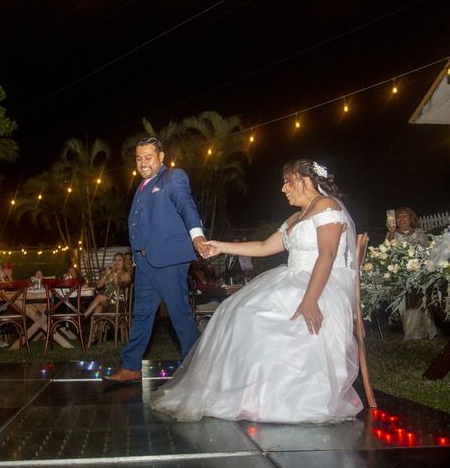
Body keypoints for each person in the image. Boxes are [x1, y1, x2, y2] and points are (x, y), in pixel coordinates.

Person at [150, 159, 363, 423]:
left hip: (320, 282)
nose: (283, 189)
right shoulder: (296, 217)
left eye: (288, 181)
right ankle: (246, 394)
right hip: (293, 277)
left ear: (305, 180)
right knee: (237, 309)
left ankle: (279, 397)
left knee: (261, 316)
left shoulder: (326, 207)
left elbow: (327, 255)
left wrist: (310, 300)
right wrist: (221, 247)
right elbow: (263, 246)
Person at [104, 137, 208, 383]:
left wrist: (197, 236)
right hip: (145, 263)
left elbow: (186, 205)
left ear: (161, 157)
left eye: (148, 157)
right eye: (139, 159)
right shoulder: (141, 186)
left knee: (179, 314)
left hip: (169, 260)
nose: (143, 163)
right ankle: (130, 366)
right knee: (140, 315)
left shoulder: (173, 177)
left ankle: (195, 369)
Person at [385, 207, 436, 340]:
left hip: (419, 272)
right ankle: (411, 332)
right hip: (401, 274)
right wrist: (391, 233)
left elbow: (427, 251)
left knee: (421, 299)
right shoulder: (393, 234)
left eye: (405, 216)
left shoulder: (419, 233)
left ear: (411, 218)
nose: (401, 219)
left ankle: (427, 331)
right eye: (399, 217)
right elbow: (387, 250)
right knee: (407, 301)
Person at [84, 253, 131, 318]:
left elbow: (118, 286)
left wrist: (115, 274)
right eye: (115, 260)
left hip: (119, 302)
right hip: (107, 300)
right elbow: (99, 286)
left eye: (119, 260)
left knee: (100, 297)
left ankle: (83, 316)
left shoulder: (126, 274)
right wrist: (106, 274)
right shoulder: (110, 273)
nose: (116, 262)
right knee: (98, 307)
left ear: (123, 262)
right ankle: (96, 327)